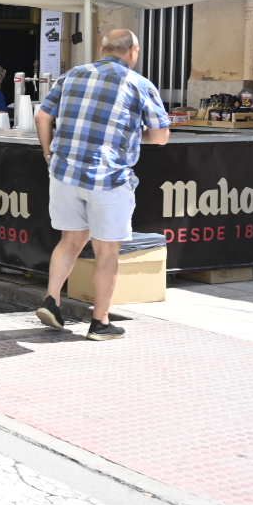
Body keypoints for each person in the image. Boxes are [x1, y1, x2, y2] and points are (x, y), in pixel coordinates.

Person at [36, 29, 170, 341]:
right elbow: (161, 136)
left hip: (64, 173)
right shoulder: (138, 84)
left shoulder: (71, 75)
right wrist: (134, 137)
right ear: (133, 52)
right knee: (107, 251)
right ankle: (100, 321)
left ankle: (51, 300)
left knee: (69, 241)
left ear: (101, 48)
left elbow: (43, 116)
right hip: (108, 178)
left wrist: (48, 153)